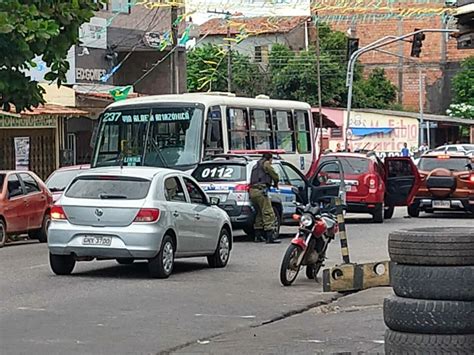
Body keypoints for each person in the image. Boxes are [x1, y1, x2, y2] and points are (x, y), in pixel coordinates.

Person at [249, 153, 281, 244]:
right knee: (268, 212)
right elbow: (274, 175)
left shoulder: (256, 165)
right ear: (269, 159)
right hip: (260, 191)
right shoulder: (266, 164)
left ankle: (258, 236)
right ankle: (270, 237)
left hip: (252, 191)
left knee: (259, 213)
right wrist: (276, 182)